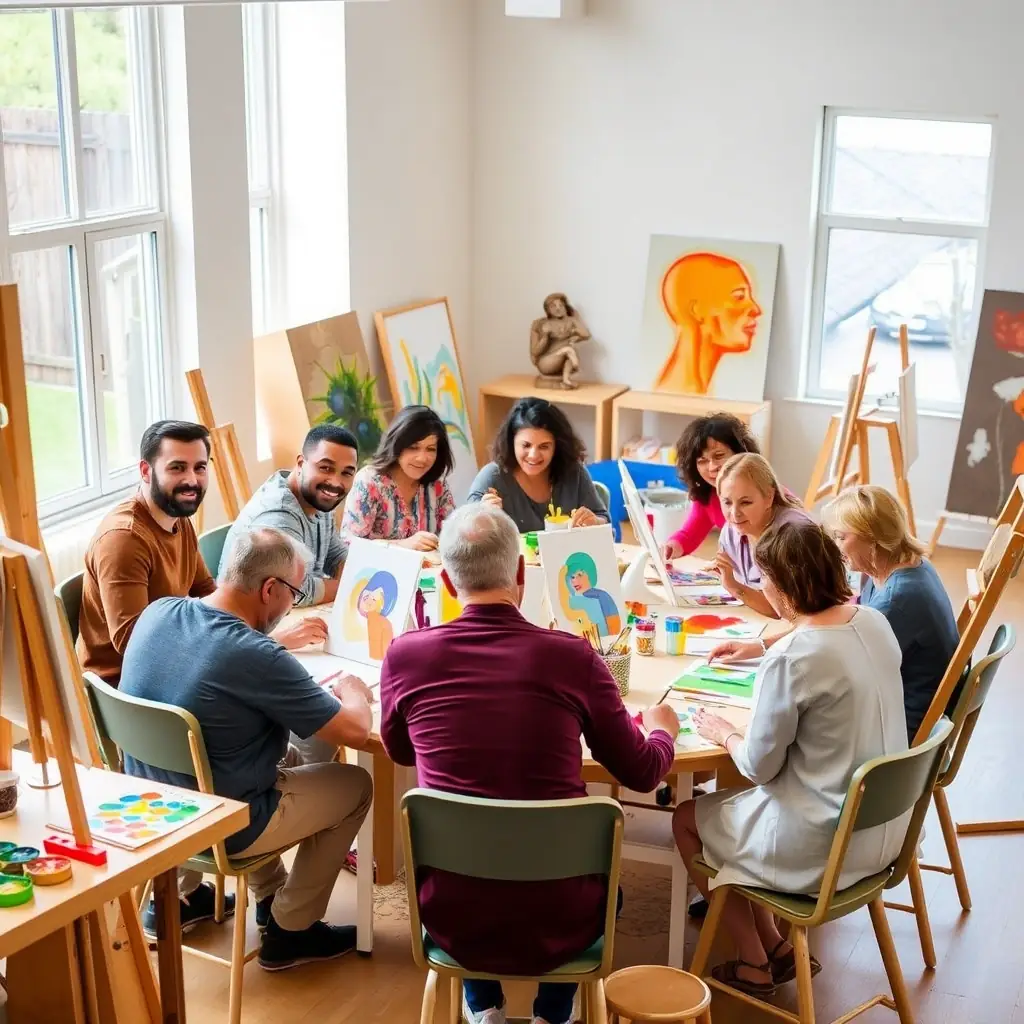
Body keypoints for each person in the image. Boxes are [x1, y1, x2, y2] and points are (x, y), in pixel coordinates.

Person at [380, 504, 680, 1024]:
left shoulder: (405, 655)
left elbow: (403, 752)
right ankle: (554, 1012)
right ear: (522, 575)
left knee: (468, 842)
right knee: (600, 887)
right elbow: (643, 773)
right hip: (561, 917)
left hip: (452, 915)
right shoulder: (572, 657)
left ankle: (483, 1006)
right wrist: (662, 729)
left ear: (447, 583)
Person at [673, 519, 909, 996]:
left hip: (826, 846)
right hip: (885, 831)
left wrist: (726, 734)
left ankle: (753, 961)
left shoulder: (794, 657)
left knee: (686, 820)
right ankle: (777, 948)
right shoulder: (873, 621)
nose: (762, 587)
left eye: (764, 579)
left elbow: (757, 766)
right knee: (744, 814)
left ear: (783, 586)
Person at [119, 528, 374, 970]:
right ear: (269, 589)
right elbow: (352, 730)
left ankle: (270, 893)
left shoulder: (159, 612)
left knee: (273, 757)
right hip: (220, 820)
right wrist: (354, 691)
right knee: (354, 783)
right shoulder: (256, 655)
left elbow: (217, 663)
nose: (291, 604)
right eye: (293, 592)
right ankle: (291, 930)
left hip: (151, 808)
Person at [77, 420, 216, 684]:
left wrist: (250, 634)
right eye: (177, 468)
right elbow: (133, 642)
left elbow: (206, 589)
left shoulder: (177, 516)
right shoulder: (124, 539)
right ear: (146, 471)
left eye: (200, 468)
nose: (191, 480)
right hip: (128, 687)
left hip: (170, 665)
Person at [824, 485, 959, 742]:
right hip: (898, 705)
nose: (836, 546)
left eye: (841, 537)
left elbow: (842, 669)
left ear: (872, 538)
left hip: (899, 727)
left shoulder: (897, 600)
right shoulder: (910, 565)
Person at [224, 423, 358, 614]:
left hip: (286, 615)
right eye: (326, 468)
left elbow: (337, 557)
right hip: (252, 626)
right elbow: (297, 591)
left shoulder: (318, 499)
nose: (336, 482)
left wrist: (351, 576)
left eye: (346, 473)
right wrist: (352, 587)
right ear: (301, 464)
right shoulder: (279, 514)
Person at [467, 397, 607, 532]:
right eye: (526, 445)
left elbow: (604, 521)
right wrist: (482, 518)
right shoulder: (492, 477)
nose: (533, 455)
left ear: (557, 446)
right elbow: (464, 532)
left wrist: (594, 522)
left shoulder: (573, 472)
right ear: (511, 443)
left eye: (544, 446)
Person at [342, 405, 455, 552]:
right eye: (413, 447)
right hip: (377, 574)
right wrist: (404, 545)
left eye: (431, 449)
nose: (422, 458)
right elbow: (349, 546)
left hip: (428, 572)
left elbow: (454, 534)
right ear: (397, 444)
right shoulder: (369, 482)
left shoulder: (436, 484)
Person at [710, 453, 811, 618]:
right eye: (727, 502)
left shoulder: (794, 534)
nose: (734, 514)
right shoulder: (731, 531)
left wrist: (733, 585)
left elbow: (787, 612)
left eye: (746, 502)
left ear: (769, 497)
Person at [654, 252, 763, 396]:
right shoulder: (677, 391)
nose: (756, 310)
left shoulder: (697, 390)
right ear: (697, 311)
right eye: (739, 297)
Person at [662, 414, 763, 559]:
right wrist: (670, 548)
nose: (712, 467)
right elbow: (689, 535)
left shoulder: (765, 490)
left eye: (719, 455)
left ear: (741, 453)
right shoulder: (708, 494)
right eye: (702, 460)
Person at [559, 552, 621, 637]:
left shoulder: (602, 596)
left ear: (590, 573)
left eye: (580, 575)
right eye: (572, 577)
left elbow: (615, 629)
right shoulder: (571, 600)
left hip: (603, 646)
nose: (575, 581)